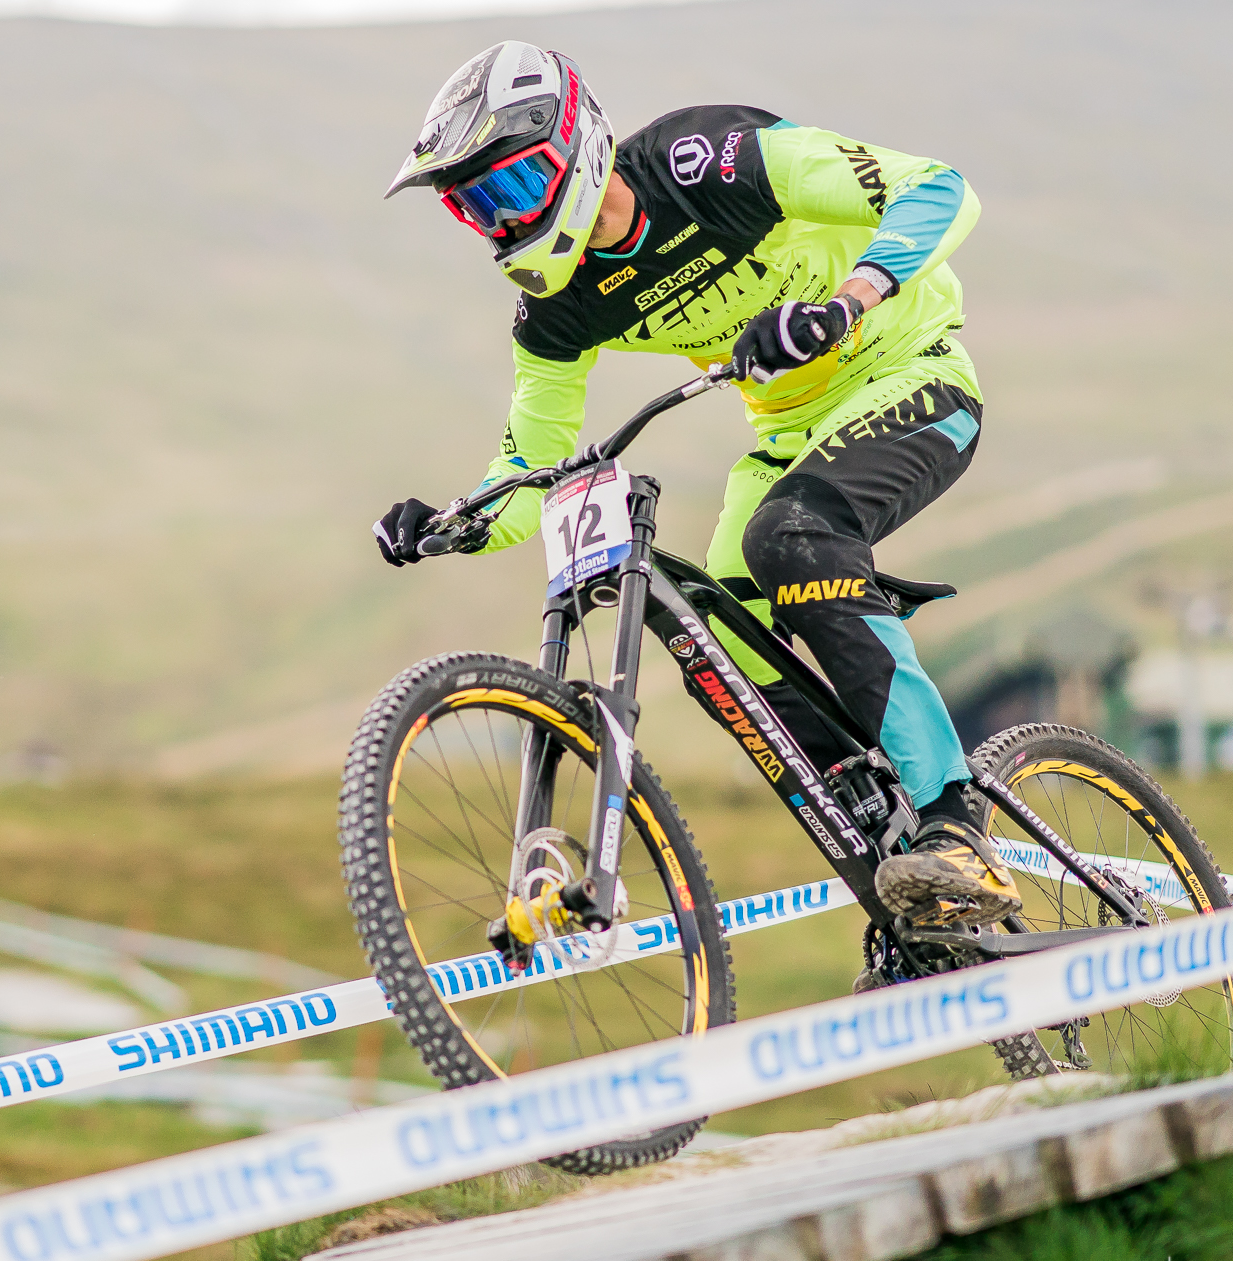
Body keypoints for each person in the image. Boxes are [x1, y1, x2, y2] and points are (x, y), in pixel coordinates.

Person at [374, 42, 1018, 929]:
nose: (507, 221)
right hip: (789, 437)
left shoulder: (707, 161)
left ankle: (955, 823)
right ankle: (887, 853)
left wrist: (847, 302)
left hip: (915, 375)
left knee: (788, 536)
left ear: (579, 144)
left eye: (516, 186)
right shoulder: (558, 310)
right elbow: (530, 466)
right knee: (712, 641)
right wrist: (459, 523)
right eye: (478, 207)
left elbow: (939, 188)